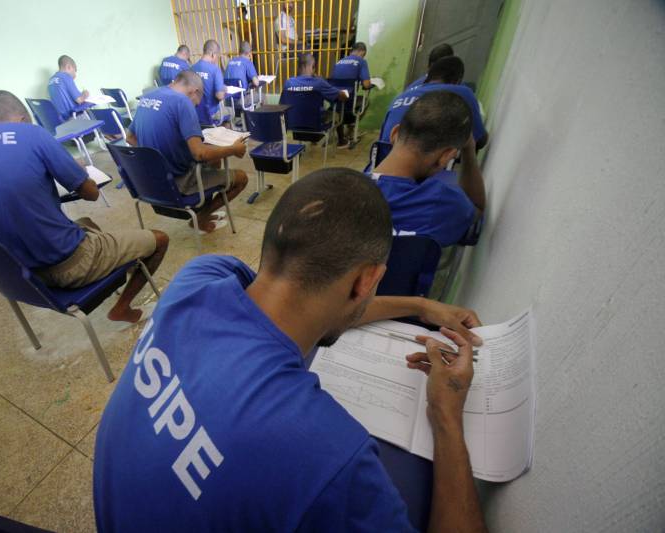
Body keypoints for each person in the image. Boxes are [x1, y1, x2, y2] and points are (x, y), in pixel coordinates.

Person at [94, 167, 487, 532]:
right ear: (368, 280)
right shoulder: (329, 456)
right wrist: (447, 416)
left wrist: (419, 306)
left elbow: (301, 303)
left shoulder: (199, 277)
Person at [0, 90, 169, 324]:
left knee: (86, 224)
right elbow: (91, 194)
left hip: (17, 273)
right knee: (159, 240)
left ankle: (117, 264)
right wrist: (76, 169)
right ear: (22, 119)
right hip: (65, 265)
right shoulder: (31, 134)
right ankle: (122, 309)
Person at [126, 71, 249, 234]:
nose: (195, 107)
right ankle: (200, 219)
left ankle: (202, 211)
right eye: (196, 104)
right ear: (195, 91)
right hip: (177, 181)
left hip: (149, 181)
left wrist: (159, 156)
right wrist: (233, 149)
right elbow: (199, 154)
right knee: (241, 178)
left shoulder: (149, 95)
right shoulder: (182, 102)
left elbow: (130, 138)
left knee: (214, 161)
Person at [374, 91, 486, 248]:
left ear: (394, 133)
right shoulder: (443, 202)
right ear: (446, 156)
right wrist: (469, 149)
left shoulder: (341, 191)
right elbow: (477, 211)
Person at [379, 56, 489, 150]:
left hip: (381, 157)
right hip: (417, 165)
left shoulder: (402, 95)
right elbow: (480, 140)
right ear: (457, 81)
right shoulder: (462, 92)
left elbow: (383, 137)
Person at [282, 53, 348, 142]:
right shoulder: (319, 83)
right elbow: (341, 97)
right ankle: (342, 141)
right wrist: (345, 94)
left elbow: (282, 105)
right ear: (312, 66)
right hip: (317, 126)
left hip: (293, 125)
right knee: (337, 114)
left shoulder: (288, 83)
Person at [331, 41, 372, 145]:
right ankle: (351, 129)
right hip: (349, 102)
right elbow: (366, 85)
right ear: (361, 52)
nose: (363, 57)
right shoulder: (361, 62)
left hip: (335, 101)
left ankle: (342, 135)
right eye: (363, 55)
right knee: (365, 101)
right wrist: (372, 83)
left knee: (340, 106)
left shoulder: (339, 62)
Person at [191, 40, 228, 126]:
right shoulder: (215, 70)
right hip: (212, 114)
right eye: (217, 57)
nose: (216, 60)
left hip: (195, 114)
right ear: (213, 54)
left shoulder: (191, 68)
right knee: (230, 112)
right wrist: (223, 89)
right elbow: (220, 96)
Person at [48, 55, 89, 120]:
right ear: (69, 67)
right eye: (75, 70)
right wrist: (85, 94)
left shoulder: (50, 81)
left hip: (61, 121)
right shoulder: (66, 77)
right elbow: (79, 100)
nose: (75, 74)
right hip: (74, 117)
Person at [224, 41, 261, 108]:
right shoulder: (247, 62)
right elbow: (256, 83)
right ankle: (258, 118)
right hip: (241, 101)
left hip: (228, 101)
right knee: (262, 97)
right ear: (250, 54)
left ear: (239, 51)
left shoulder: (230, 62)